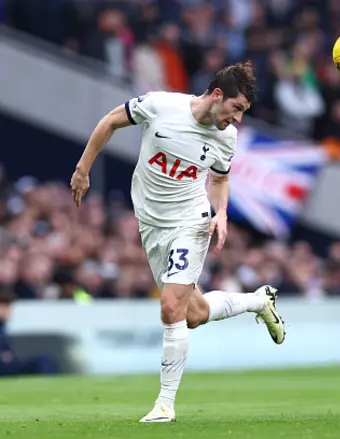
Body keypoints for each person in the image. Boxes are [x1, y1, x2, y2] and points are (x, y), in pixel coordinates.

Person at [70, 61, 286, 423]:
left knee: (170, 307)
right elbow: (109, 121)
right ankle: (258, 301)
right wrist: (82, 169)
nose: (237, 119)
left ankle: (165, 405)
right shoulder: (160, 105)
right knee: (194, 314)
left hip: (190, 222)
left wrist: (222, 213)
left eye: (243, 112)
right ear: (217, 95)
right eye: (236, 108)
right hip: (151, 224)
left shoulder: (226, 137)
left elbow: (219, 179)